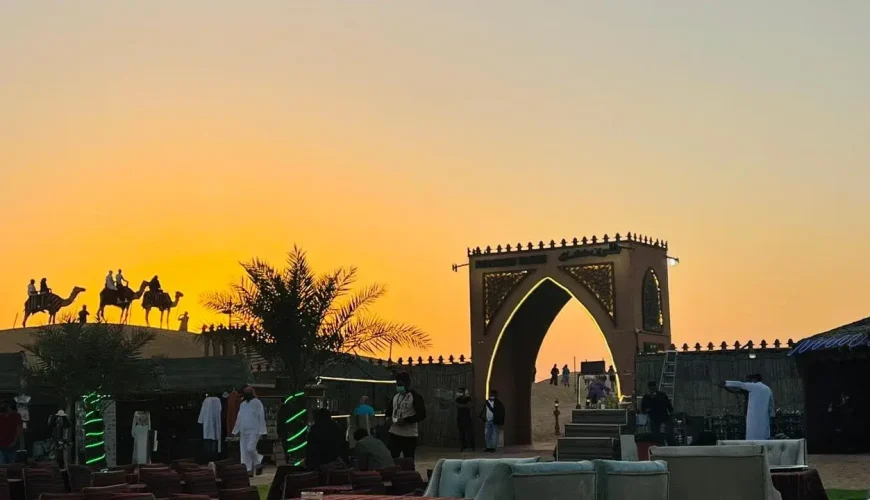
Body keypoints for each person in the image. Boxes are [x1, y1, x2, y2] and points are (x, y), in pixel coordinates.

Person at [385, 372, 426, 459]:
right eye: (397, 384)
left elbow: (422, 414)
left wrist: (406, 421)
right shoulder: (395, 396)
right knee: (392, 459)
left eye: (401, 385)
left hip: (409, 435)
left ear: (407, 384)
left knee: (408, 460)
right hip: (394, 433)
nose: (399, 387)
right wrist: (388, 418)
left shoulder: (415, 396)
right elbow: (388, 411)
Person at [724, 374, 775, 440]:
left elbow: (740, 384)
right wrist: (772, 415)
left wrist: (727, 383)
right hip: (764, 416)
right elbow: (771, 404)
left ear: (754, 379)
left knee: (752, 433)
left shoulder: (753, 386)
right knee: (764, 433)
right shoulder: (768, 389)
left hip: (753, 415)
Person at [232, 387, 266, 476]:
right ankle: (249, 470)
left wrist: (263, 431)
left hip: (254, 430)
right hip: (243, 431)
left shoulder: (257, 403)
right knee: (244, 452)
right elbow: (239, 418)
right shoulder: (243, 404)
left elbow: (261, 417)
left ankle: (258, 463)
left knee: (250, 448)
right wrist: (235, 431)